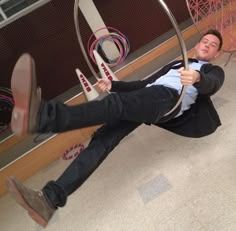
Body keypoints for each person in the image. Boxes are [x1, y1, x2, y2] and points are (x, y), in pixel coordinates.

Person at [6, 29, 224, 227]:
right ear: (196, 45)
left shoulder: (211, 71)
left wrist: (198, 77)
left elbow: (212, 84)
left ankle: (41, 117)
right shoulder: (177, 65)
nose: (206, 44)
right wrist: (114, 85)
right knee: (103, 138)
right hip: (151, 96)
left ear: (216, 54)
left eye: (213, 44)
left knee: (116, 105)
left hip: (167, 99)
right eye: (204, 40)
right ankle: (49, 200)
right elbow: (144, 84)